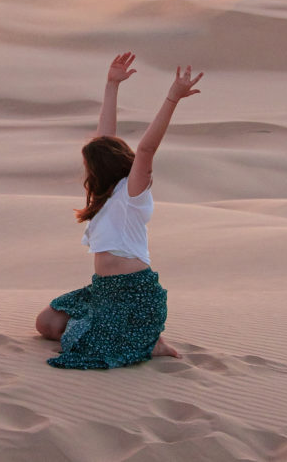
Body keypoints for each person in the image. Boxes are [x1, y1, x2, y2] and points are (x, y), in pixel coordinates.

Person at [36, 51, 203, 369]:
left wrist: (172, 97)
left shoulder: (132, 192)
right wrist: (111, 85)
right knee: (47, 324)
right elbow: (105, 137)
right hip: (104, 291)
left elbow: (146, 148)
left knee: (79, 345)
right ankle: (133, 335)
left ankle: (148, 339)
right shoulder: (105, 193)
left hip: (133, 295)